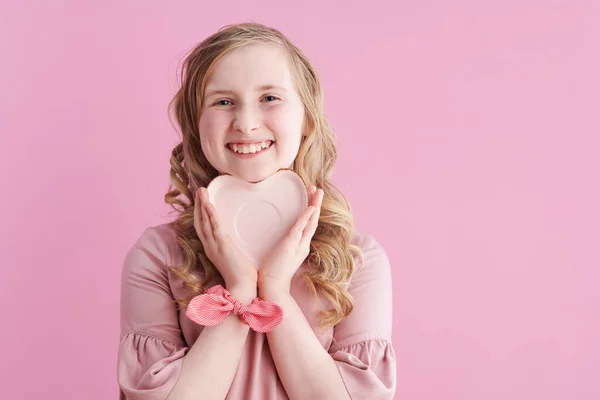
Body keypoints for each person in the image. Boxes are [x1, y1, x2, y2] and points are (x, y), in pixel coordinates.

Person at [117, 22, 396, 400]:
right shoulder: (158, 256)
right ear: (196, 125)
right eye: (222, 101)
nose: (246, 124)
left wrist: (276, 288)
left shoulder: (357, 260)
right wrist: (240, 288)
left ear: (307, 117)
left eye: (269, 98)